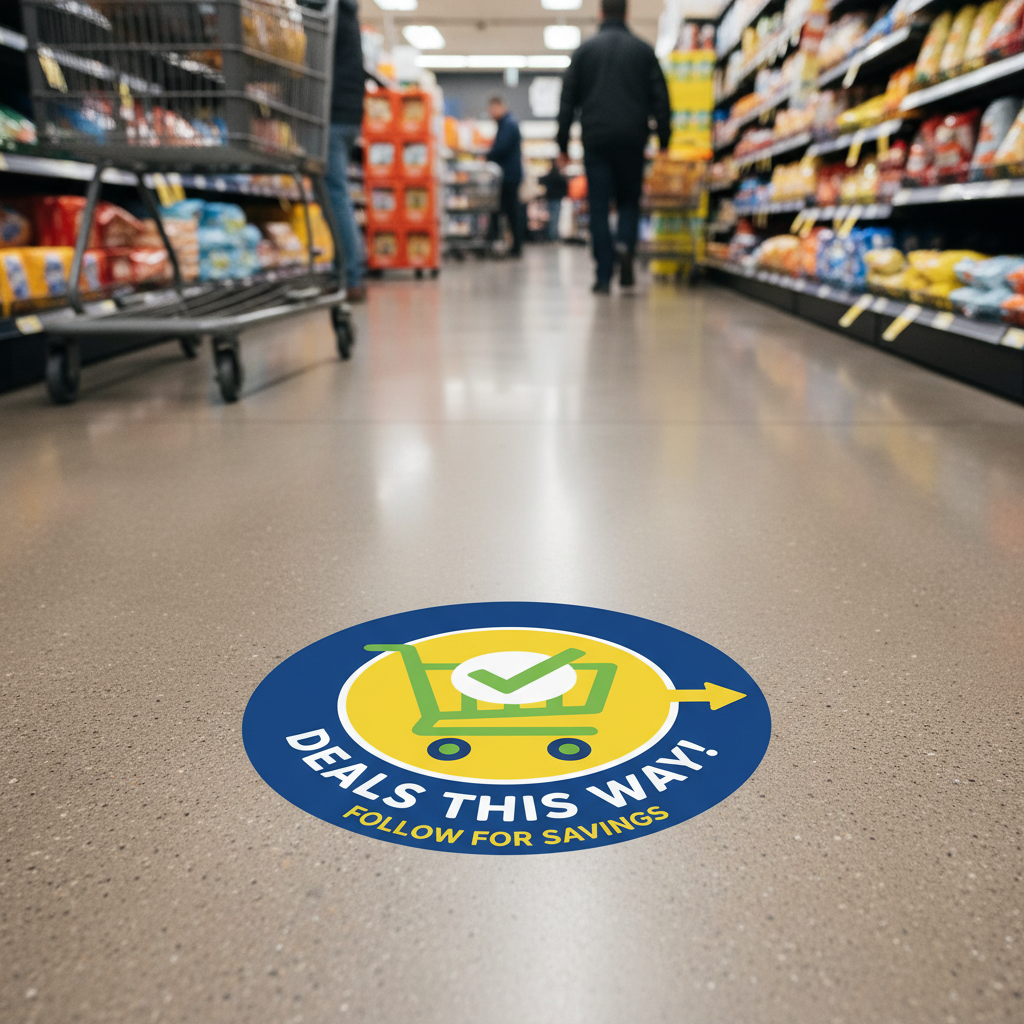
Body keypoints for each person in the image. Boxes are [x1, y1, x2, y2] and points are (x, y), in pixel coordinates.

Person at [556, 0, 671, 293]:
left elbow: (567, 101)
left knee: (598, 206)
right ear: (627, 13)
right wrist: (665, 140)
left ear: (601, 13)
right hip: (633, 139)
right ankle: (625, 245)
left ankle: (604, 273)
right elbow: (661, 98)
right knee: (629, 201)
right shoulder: (643, 51)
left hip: (596, 140)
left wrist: (562, 144)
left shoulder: (585, 52)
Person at [325, 0, 367, 302]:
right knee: (336, 193)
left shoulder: (330, 11)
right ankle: (347, 271)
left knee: (334, 193)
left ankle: (349, 275)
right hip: (349, 115)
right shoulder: (347, 14)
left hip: (334, 113)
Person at [485, 97, 524, 258]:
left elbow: (500, 148)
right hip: (510, 175)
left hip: (509, 176)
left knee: (508, 211)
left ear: (500, 106)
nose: (490, 113)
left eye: (492, 109)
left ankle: (512, 246)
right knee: (509, 211)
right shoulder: (507, 123)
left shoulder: (508, 124)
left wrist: (487, 155)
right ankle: (511, 245)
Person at [538, 160, 568, 241]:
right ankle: (554, 236)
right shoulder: (560, 176)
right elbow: (565, 186)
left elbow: (541, 180)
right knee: (555, 218)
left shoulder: (549, 176)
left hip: (550, 199)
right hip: (557, 199)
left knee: (550, 218)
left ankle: (549, 235)